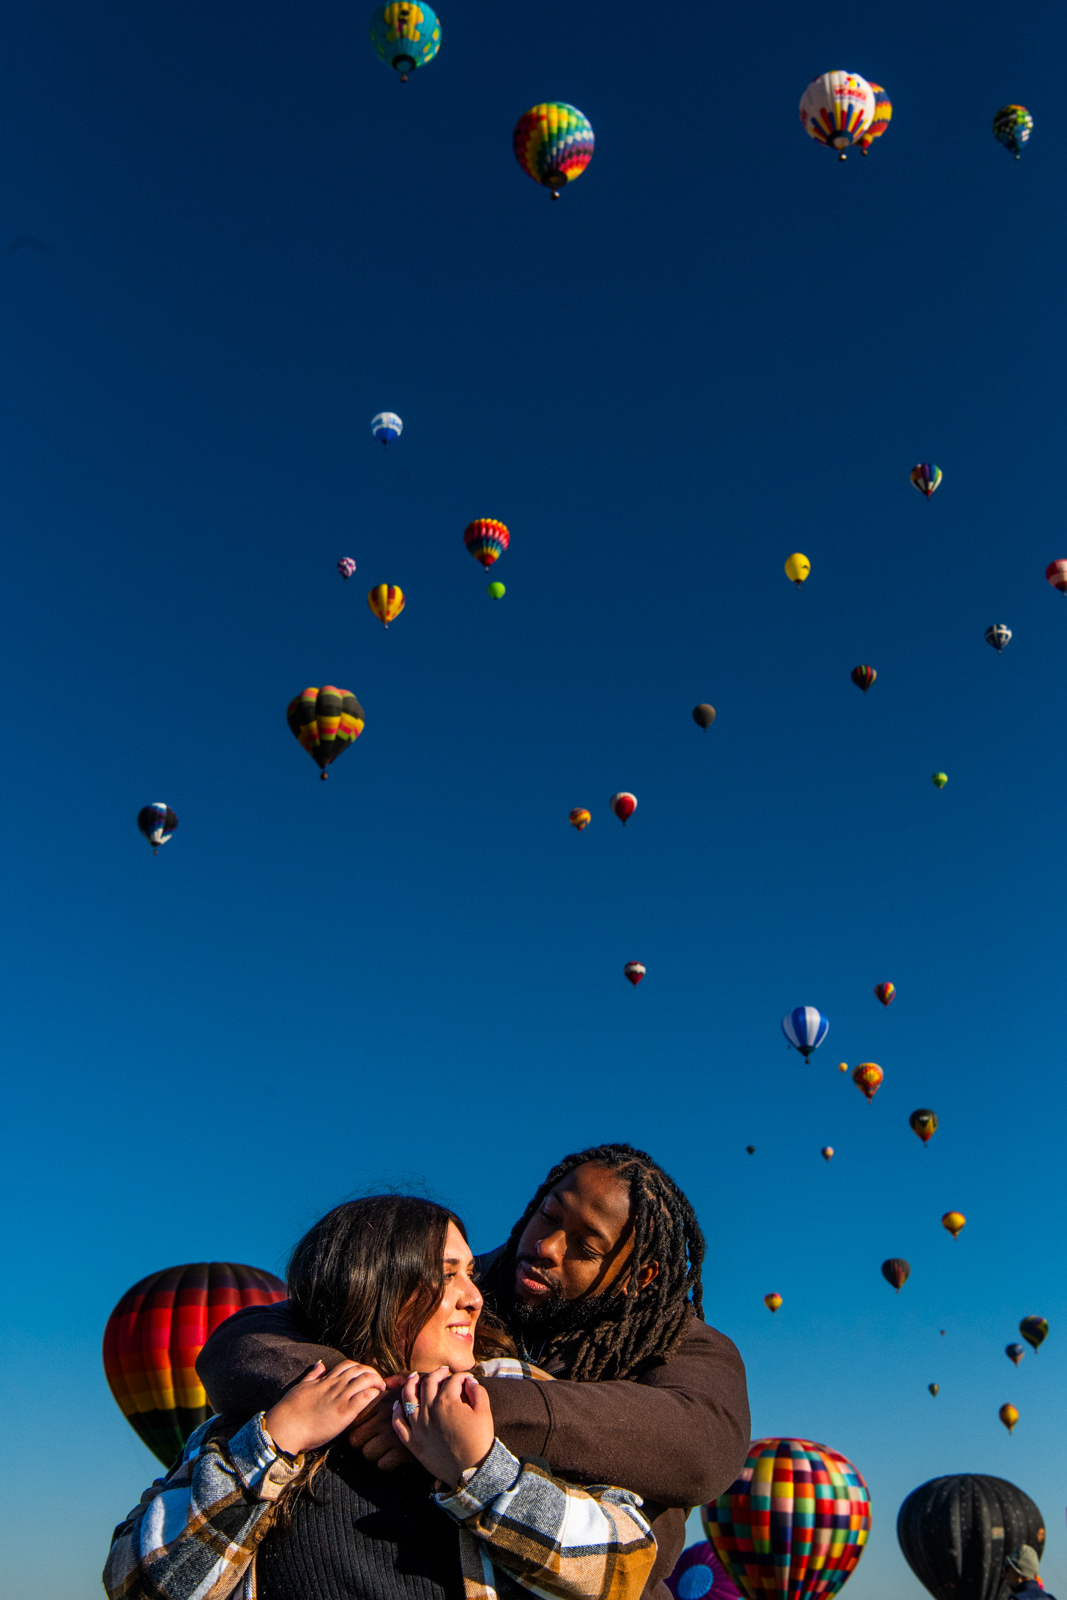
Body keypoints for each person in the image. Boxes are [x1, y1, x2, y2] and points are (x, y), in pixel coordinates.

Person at [197, 1144, 751, 1600]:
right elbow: (243, 1341)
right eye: (548, 1216)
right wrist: (372, 1396)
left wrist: (464, 1406)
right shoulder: (463, 1279)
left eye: (585, 1247)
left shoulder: (677, 1346)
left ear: (638, 1274)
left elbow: (701, 1448)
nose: (546, 1247)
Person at [104, 1194, 658, 1600]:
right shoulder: (255, 1425)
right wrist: (276, 1442)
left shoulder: (520, 1395)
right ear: (375, 1287)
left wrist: (482, 1473)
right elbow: (136, 1582)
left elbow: (629, 1560)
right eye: (447, 1275)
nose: (473, 1298)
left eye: (471, 1274)